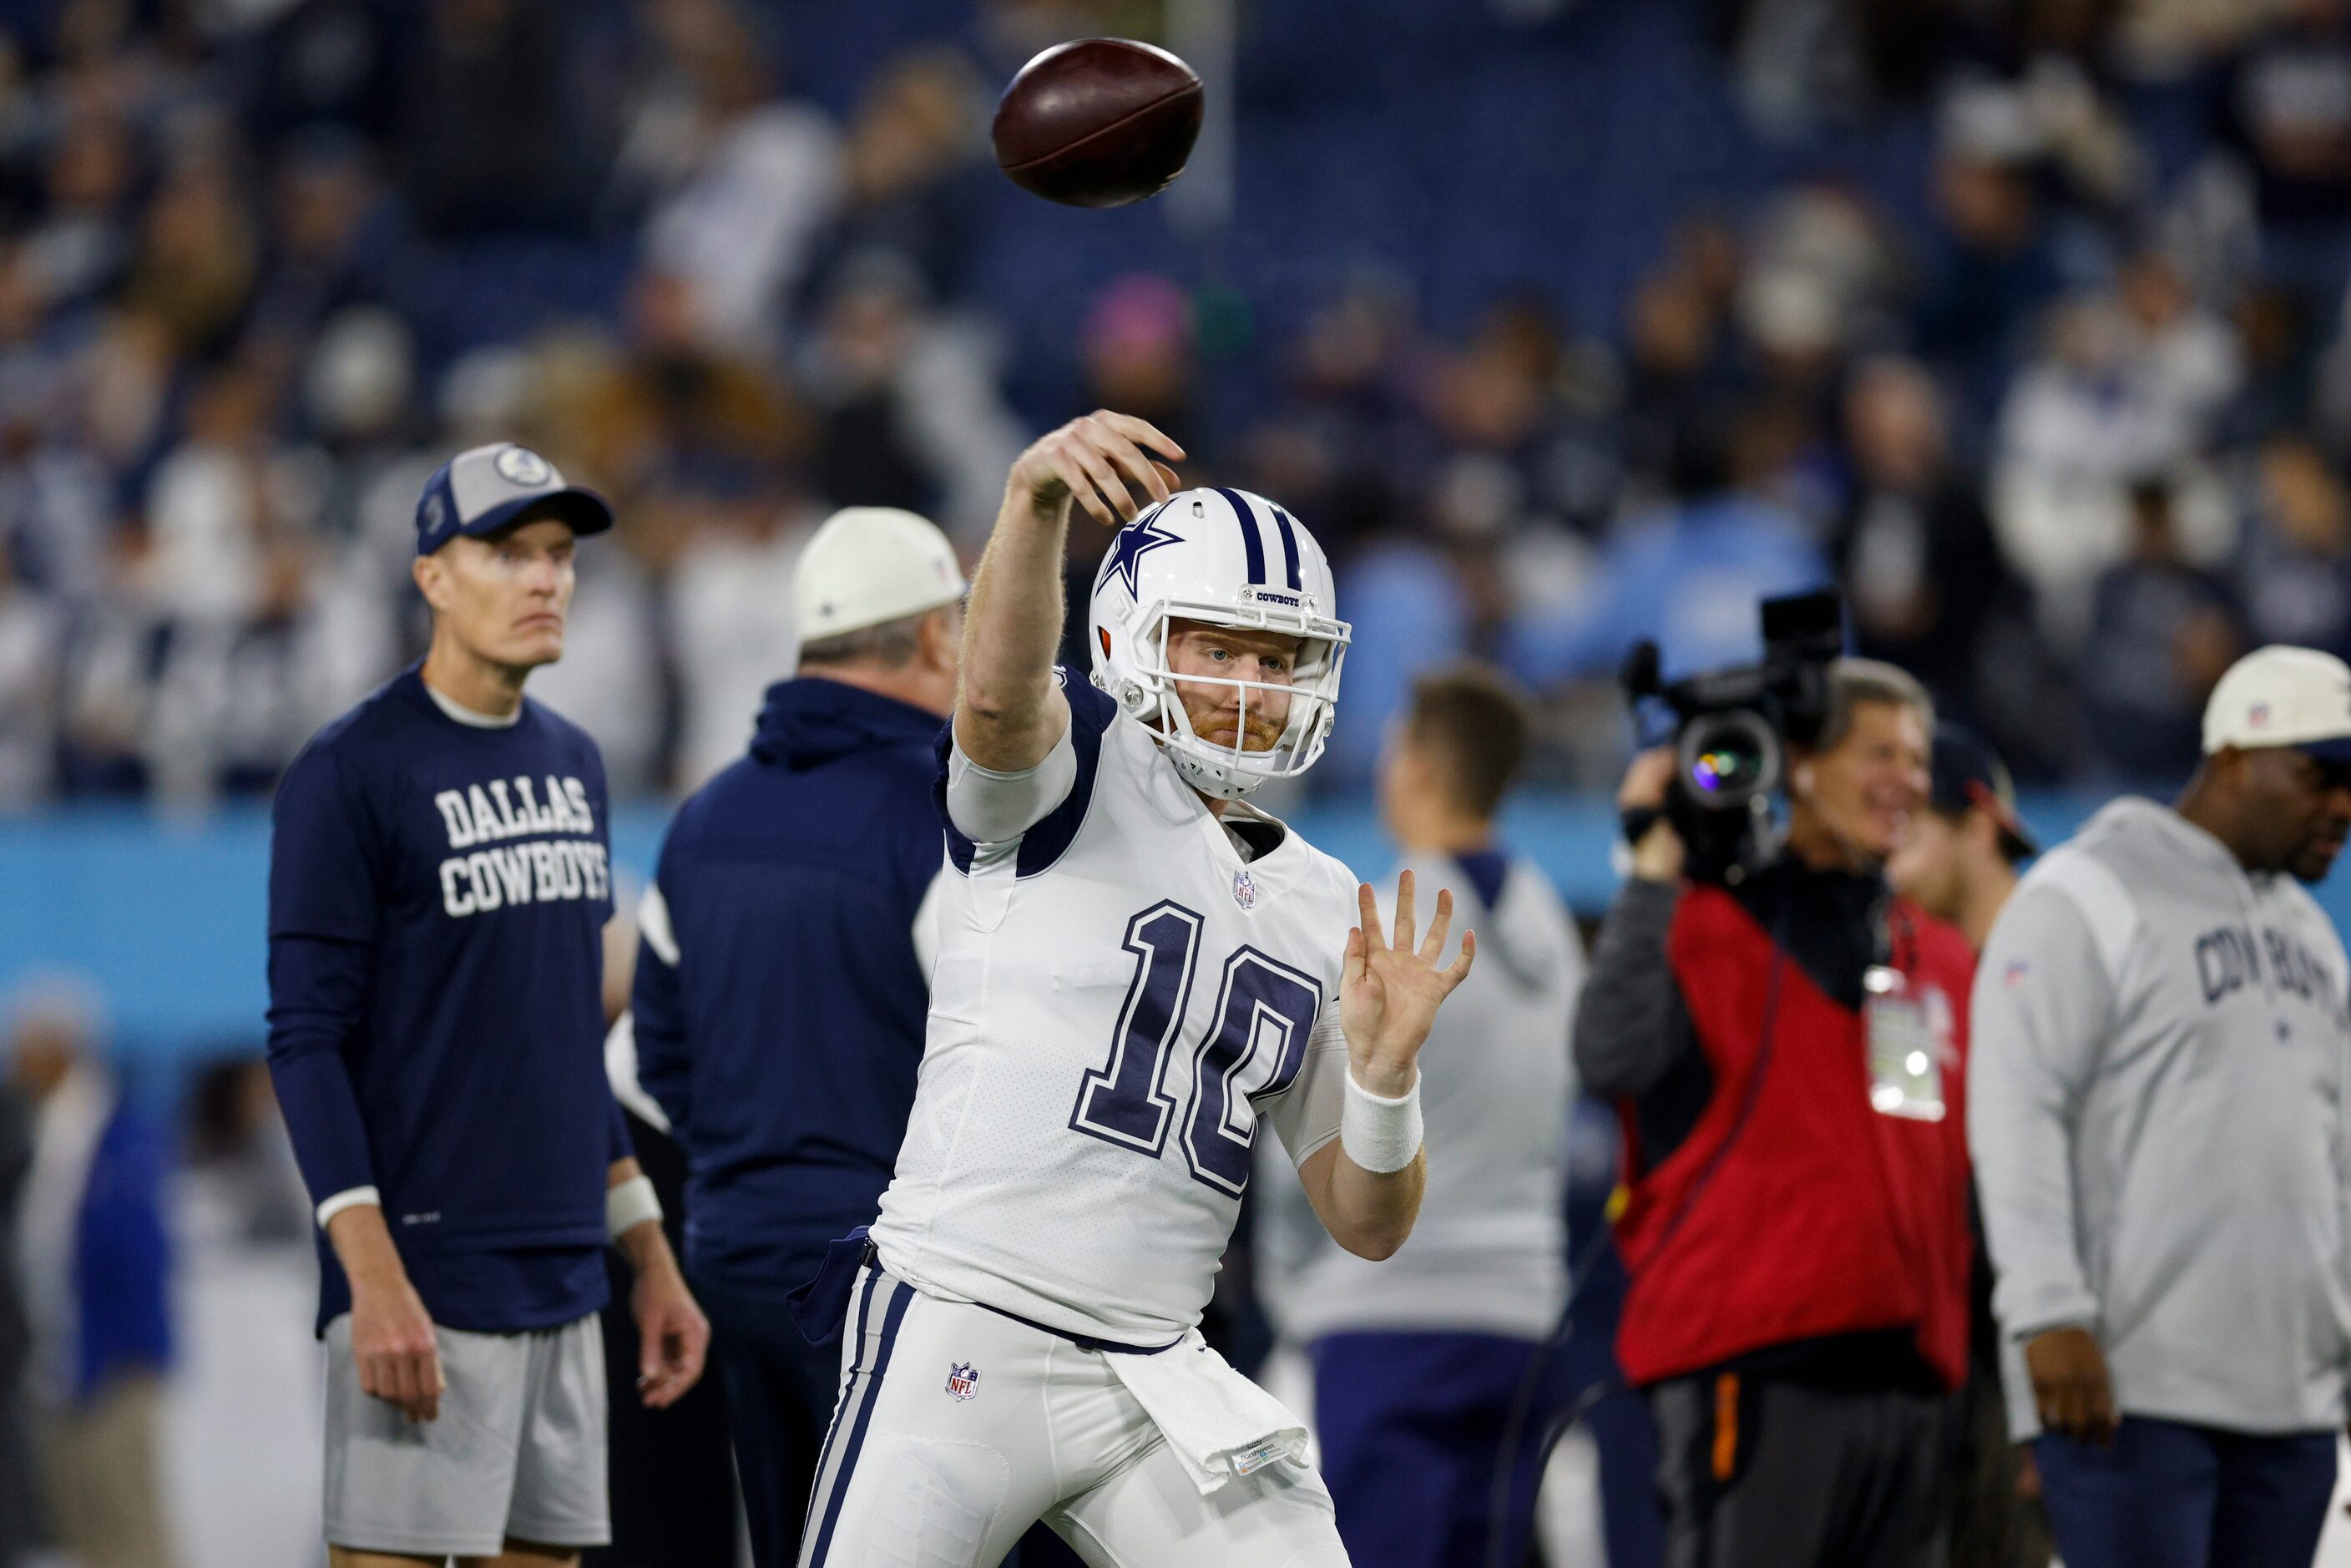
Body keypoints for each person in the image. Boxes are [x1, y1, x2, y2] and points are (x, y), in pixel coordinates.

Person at [787, 412, 1476, 1565]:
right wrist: (1033, 502)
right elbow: (999, 701)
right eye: (1218, 647)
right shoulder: (1078, 761)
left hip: (1158, 1367)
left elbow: (1366, 1220)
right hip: (968, 1317)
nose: (1252, 685)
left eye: (1279, 657)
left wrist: (1387, 1077)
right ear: (1127, 634)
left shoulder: (1319, 897)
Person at [265, 443, 709, 1568]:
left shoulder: (578, 763)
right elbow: (306, 1037)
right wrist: (367, 1274)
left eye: (559, 555)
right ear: (432, 576)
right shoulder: (349, 772)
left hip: (566, 1274)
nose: (546, 578)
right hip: (424, 1274)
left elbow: (566, 1037)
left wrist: (648, 1254)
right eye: (509, 551)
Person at [1575, 658, 1976, 1567]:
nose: (1906, 779)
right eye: (1877, 752)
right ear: (1796, 764)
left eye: (1915, 759)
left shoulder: (1927, 951)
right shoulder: (1704, 919)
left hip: (1910, 1382)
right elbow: (1609, 1057)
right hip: (1755, 1368)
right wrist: (1651, 863)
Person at [628, 504, 971, 1567]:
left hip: (732, 1259)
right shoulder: (946, 812)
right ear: (927, 637)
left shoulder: (703, 817)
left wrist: (748, 1158)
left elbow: (654, 1059)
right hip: (891, 1281)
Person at [1969, 644, 2351, 1568]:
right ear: (2230, 759)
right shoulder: (2087, 887)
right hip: (2127, 1388)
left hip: (2294, 1400)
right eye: (2316, 775)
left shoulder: (2311, 933)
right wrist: (2045, 1310)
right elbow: (2016, 1105)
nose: (2340, 807)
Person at [1256, 662, 1585, 1568]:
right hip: (1521, 1321)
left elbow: (1303, 1126)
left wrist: (1288, 1291)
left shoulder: (1377, 922)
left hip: (1381, 1320)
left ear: (1420, 769)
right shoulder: (1553, 929)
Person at [1888, 726, 2051, 1568]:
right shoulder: (1912, 975)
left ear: (1978, 825)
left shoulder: (2058, 978)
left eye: (1909, 824)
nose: (1886, 848)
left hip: (2031, 1360)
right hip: (1941, 1351)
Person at [8, 979, 172, 1568]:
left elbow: (138, 1255)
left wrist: (127, 1359)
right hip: (58, 1365)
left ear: (61, 1047)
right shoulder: (44, 1131)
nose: (16, 1062)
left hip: (114, 1367)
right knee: (86, 1533)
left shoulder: (114, 1133)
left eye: (26, 1048)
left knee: (130, 1530)